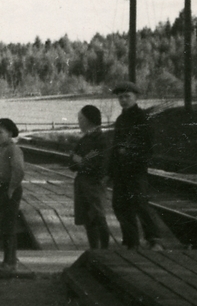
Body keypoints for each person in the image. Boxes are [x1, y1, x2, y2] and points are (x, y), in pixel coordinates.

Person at [110, 82, 163, 250]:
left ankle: (154, 240)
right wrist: (110, 171)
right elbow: (115, 146)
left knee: (140, 203)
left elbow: (148, 146)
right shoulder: (120, 120)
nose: (123, 100)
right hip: (120, 171)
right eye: (120, 97)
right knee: (120, 205)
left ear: (135, 97)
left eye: (127, 96)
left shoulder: (142, 118)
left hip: (136, 169)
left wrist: (130, 152)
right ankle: (131, 241)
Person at [70, 104, 111, 249]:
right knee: (88, 220)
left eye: (80, 119)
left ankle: (104, 251)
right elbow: (72, 163)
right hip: (83, 183)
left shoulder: (100, 139)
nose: (79, 122)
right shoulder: (85, 139)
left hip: (93, 184)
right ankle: (95, 251)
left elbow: (100, 164)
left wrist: (80, 161)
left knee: (97, 217)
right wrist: (80, 161)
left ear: (89, 120)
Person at [0, 118, 25, 271]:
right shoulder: (3, 148)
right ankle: (9, 259)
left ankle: (10, 263)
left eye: (0, 132)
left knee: (8, 225)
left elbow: (18, 171)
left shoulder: (13, 149)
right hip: (0, 187)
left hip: (8, 189)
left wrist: (11, 189)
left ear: (10, 133)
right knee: (4, 224)